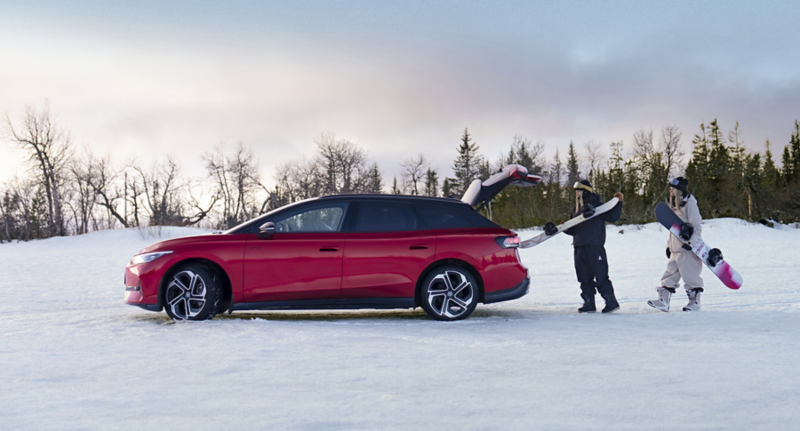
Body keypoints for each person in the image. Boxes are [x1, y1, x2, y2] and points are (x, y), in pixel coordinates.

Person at [544, 180, 624, 313]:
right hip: (579, 247)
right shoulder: (576, 210)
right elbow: (574, 230)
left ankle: (611, 302)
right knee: (584, 277)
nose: (576, 193)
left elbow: (612, 217)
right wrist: (560, 228)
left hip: (595, 246)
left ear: (586, 191)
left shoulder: (598, 206)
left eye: (579, 191)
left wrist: (618, 202)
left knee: (600, 276)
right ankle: (589, 303)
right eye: (575, 191)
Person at [648, 177, 704, 312]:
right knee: (669, 275)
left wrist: (691, 243)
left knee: (690, 275)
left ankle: (694, 302)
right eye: (670, 189)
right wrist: (669, 246)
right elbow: (672, 230)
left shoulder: (690, 204)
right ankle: (664, 301)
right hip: (675, 249)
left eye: (673, 189)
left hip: (686, 249)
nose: (671, 191)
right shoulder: (673, 206)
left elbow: (696, 226)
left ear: (679, 190)